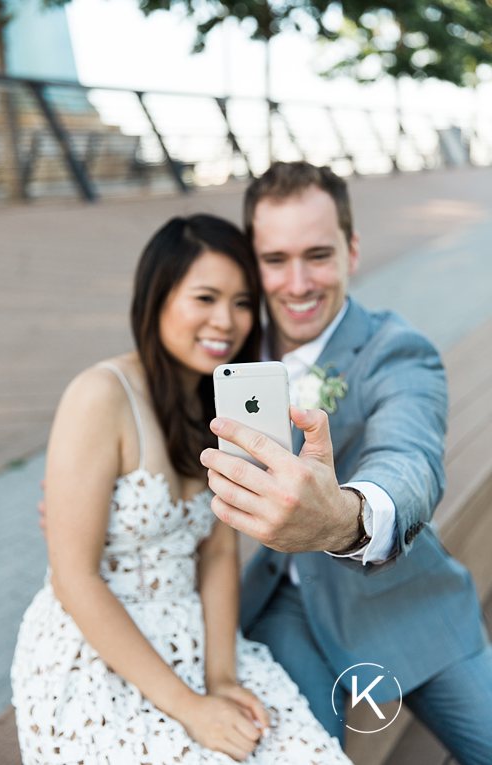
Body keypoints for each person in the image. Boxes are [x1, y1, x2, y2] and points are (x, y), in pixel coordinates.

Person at [12, 215, 350, 763]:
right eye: (205, 297)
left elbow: (217, 551)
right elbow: (74, 577)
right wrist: (190, 708)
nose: (227, 320)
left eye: (242, 302)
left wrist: (219, 678)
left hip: (200, 636)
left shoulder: (219, 400)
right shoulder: (100, 395)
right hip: (96, 648)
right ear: (157, 298)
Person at [199, 161, 492, 763]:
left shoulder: (396, 350)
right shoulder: (225, 352)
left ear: (352, 250)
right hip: (283, 606)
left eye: (318, 255)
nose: (298, 283)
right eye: (275, 260)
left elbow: (408, 460)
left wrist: (344, 518)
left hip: (404, 600)